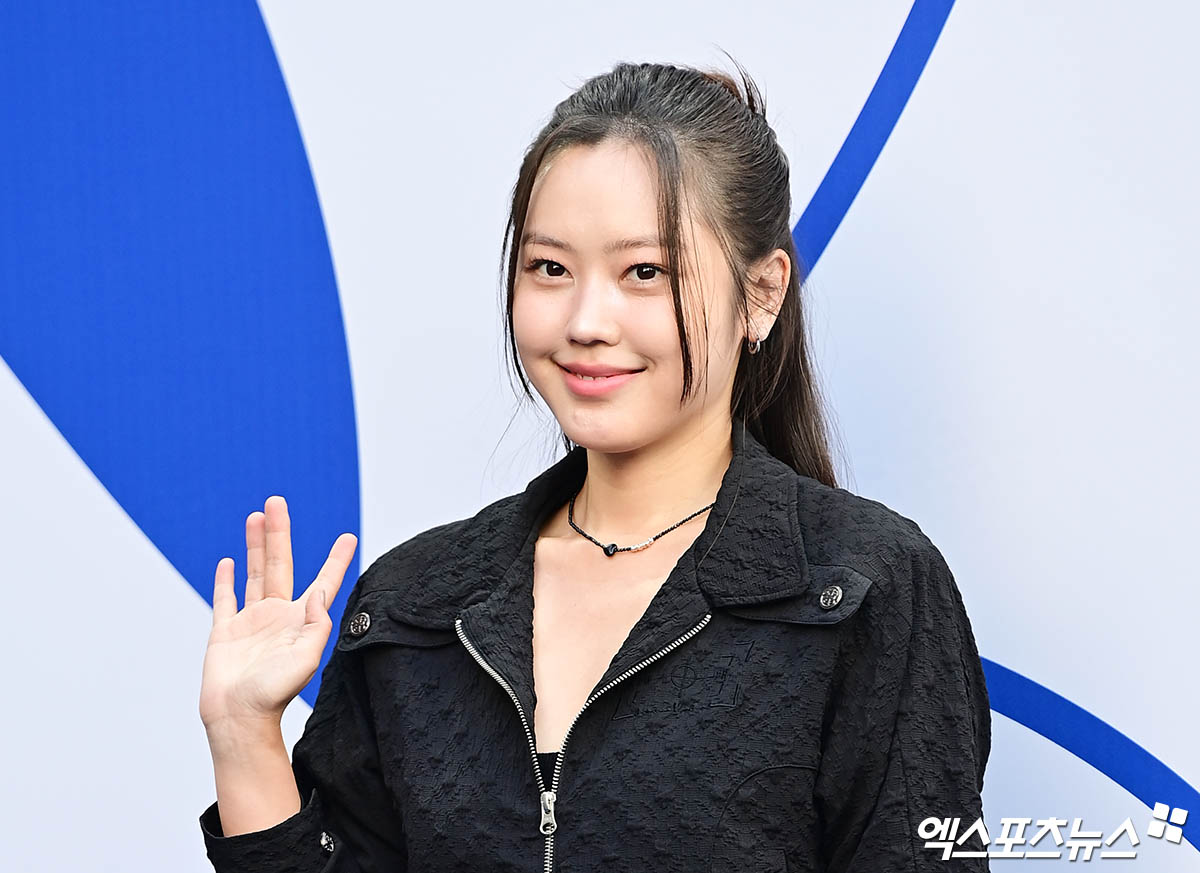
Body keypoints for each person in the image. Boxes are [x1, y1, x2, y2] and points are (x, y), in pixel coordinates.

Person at [198, 58, 992, 872]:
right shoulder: (413, 607)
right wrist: (244, 735)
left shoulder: (863, 588)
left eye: (644, 272)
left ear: (761, 292)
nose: (585, 321)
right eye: (550, 268)